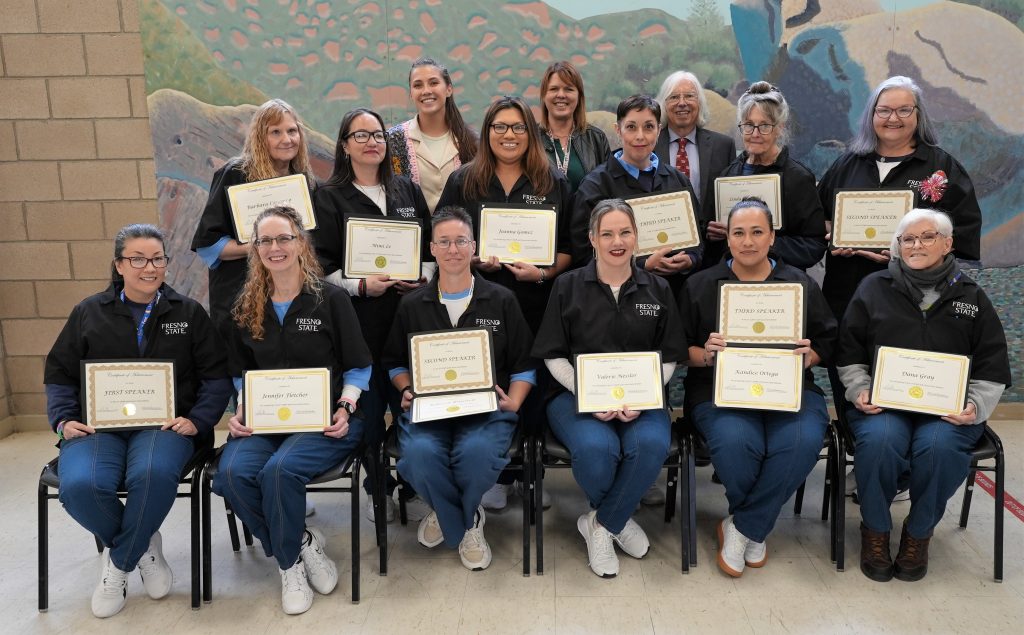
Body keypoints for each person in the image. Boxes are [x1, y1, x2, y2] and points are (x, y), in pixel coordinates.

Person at [44, 224, 232, 618]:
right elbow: (59, 374)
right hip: (97, 428)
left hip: (166, 427)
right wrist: (64, 421)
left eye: (158, 259)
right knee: (79, 486)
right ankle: (141, 546)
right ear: (119, 264)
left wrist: (198, 420)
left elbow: (215, 377)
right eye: (138, 259)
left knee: (151, 473)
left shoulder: (188, 313)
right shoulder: (88, 313)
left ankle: (117, 565)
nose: (150, 267)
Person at [212, 207, 373, 615]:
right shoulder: (244, 307)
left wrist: (345, 405)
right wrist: (241, 408)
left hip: (327, 421)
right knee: (230, 474)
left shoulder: (329, 299)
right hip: (264, 423)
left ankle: (287, 567)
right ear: (255, 249)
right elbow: (238, 373)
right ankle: (299, 544)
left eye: (284, 238)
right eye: (265, 240)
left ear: (301, 242)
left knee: (279, 471)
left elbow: (359, 365)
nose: (275, 247)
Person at [836, 208, 1009, 583]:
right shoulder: (873, 288)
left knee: (939, 446)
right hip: (883, 405)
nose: (917, 245)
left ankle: (918, 532)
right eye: (908, 239)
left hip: (948, 411)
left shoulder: (972, 296)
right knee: (881, 440)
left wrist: (975, 406)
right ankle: (876, 530)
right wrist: (859, 390)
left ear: (947, 244)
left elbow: (992, 363)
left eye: (927, 237)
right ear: (897, 247)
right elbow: (848, 352)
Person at [678, 197, 836, 578]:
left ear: (772, 237)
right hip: (718, 390)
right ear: (727, 239)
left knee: (799, 441)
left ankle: (745, 525)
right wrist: (707, 354)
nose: (747, 241)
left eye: (756, 232)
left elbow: (829, 341)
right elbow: (677, 348)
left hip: (790, 389)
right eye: (738, 233)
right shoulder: (700, 285)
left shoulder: (799, 283)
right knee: (736, 441)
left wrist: (810, 355)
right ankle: (757, 524)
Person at [532, 199, 687, 578]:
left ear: (637, 237)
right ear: (592, 239)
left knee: (648, 444)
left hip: (644, 396)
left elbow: (669, 356)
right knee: (596, 446)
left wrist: (645, 394)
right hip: (573, 396)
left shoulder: (659, 289)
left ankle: (601, 523)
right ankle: (616, 518)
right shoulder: (567, 287)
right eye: (607, 233)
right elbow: (553, 356)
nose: (617, 241)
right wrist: (588, 393)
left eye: (625, 232)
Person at [382, 206, 537, 571]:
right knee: (418, 454)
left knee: (480, 452)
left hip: (486, 411)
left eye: (461, 241)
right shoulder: (411, 304)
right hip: (427, 409)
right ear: (432, 248)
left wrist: (514, 401)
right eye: (444, 242)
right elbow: (394, 361)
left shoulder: (501, 300)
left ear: (474, 246)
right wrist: (405, 387)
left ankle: (448, 514)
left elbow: (525, 363)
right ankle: (468, 520)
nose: (453, 249)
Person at [313, 107, 435, 524]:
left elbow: (428, 250)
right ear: (345, 146)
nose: (372, 142)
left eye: (378, 134)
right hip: (359, 321)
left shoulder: (406, 191)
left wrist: (419, 276)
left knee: (413, 406)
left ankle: (415, 485)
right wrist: (362, 284)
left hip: (409, 321)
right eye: (360, 135)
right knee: (367, 414)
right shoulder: (327, 196)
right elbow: (322, 267)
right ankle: (377, 485)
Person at [819, 75, 983, 322]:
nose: (893, 119)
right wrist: (834, 234)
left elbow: (963, 229)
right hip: (847, 293)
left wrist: (912, 251)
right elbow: (819, 216)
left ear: (918, 115)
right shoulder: (846, 164)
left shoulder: (941, 167)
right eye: (883, 110)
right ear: (871, 116)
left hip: (914, 297)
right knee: (847, 359)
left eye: (904, 110)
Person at [436, 94, 573, 333]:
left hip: (537, 306)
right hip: (472, 306)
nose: (509, 135)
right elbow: (439, 238)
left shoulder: (553, 182)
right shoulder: (462, 181)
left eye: (519, 127)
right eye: (499, 126)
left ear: (531, 133)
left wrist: (541, 274)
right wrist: (470, 259)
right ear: (487, 131)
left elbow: (570, 246)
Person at [190, 98, 316, 338]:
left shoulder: (304, 181)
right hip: (241, 299)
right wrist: (265, 246)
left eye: (292, 131)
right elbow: (209, 246)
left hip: (293, 299)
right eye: (275, 132)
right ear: (260, 136)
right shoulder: (235, 174)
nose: (286, 139)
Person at [570, 94, 703, 296]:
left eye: (649, 127)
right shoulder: (595, 186)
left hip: (674, 294)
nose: (640, 136)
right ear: (618, 130)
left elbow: (699, 234)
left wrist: (692, 258)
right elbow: (582, 251)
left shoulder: (677, 180)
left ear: (659, 130)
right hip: (616, 297)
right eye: (631, 127)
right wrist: (641, 265)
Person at [709, 82, 827, 271]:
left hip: (780, 284)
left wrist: (764, 242)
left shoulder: (797, 178)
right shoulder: (729, 175)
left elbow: (813, 246)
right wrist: (717, 235)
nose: (755, 134)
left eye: (764, 126)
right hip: (735, 281)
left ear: (779, 128)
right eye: (748, 125)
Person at [654, 70, 737, 248]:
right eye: (674, 97)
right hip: (662, 249)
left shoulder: (723, 146)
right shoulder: (649, 147)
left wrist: (729, 225)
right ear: (664, 104)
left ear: (699, 103)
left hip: (712, 251)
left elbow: (732, 199)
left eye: (689, 96)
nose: (682, 103)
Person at [387, 57, 477, 213]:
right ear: (411, 93)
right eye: (417, 85)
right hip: (411, 233)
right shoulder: (393, 139)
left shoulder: (472, 142)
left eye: (433, 83)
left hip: (458, 235)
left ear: (449, 89)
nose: (426, 91)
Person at [537, 60, 611, 192]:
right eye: (554, 89)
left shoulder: (596, 139)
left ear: (579, 96)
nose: (561, 95)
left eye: (568, 89)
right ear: (544, 95)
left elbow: (608, 192)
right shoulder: (531, 139)